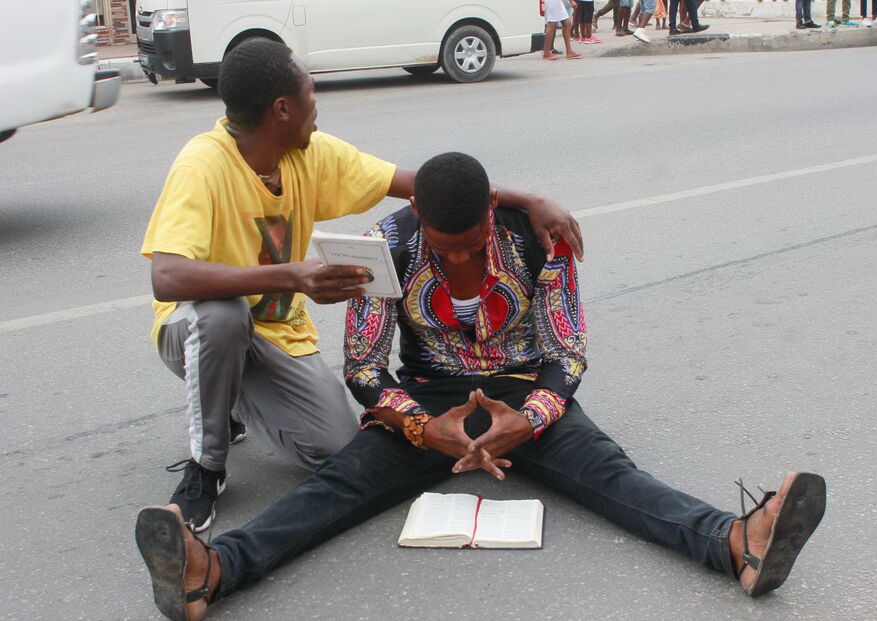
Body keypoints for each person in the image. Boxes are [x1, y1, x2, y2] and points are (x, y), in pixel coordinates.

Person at [135, 152, 828, 621]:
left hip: (527, 391)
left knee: (612, 473)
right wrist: (418, 425)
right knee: (337, 484)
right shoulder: (387, 245)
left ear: (492, 211)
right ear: (421, 226)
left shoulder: (539, 236)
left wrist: (533, 416)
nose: (461, 256)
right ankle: (211, 571)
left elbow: (567, 347)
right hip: (430, 398)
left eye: (473, 242)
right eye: (445, 246)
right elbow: (365, 367)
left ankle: (739, 542)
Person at [141, 39, 585, 534]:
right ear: (283, 108)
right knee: (223, 317)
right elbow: (167, 276)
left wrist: (530, 200)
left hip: (275, 336)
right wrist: (294, 275)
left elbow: (429, 186)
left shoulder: (308, 154)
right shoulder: (202, 165)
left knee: (334, 448)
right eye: (310, 90)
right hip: (197, 329)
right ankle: (205, 468)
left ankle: (228, 394)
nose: (317, 102)